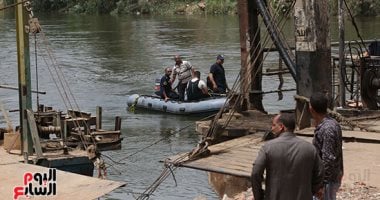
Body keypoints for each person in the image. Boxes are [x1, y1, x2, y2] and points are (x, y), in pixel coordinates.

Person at [251, 113, 324, 200]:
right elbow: (320, 173)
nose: (272, 128)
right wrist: (310, 191)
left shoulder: (267, 147)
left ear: (281, 126)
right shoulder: (310, 148)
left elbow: (255, 173)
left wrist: (259, 196)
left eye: (274, 125)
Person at [309, 92, 344, 200]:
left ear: (311, 109)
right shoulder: (333, 123)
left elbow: (328, 158)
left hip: (327, 180)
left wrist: (321, 184)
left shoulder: (327, 129)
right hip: (333, 175)